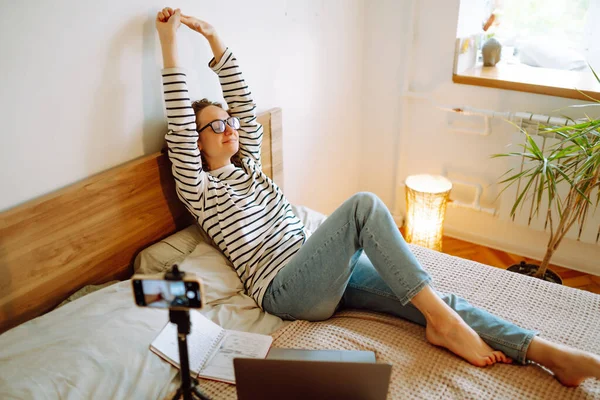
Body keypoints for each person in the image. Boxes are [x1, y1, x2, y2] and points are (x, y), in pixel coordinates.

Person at [155, 7, 600, 386]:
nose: (229, 127)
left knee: (430, 297)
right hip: (285, 288)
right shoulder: (201, 188)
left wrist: (214, 38)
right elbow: (179, 122)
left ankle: (547, 353)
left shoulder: (248, 162)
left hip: (319, 266)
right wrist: (169, 42)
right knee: (363, 206)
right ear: (194, 145)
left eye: (228, 120)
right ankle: (444, 325)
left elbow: (245, 104)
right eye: (215, 126)